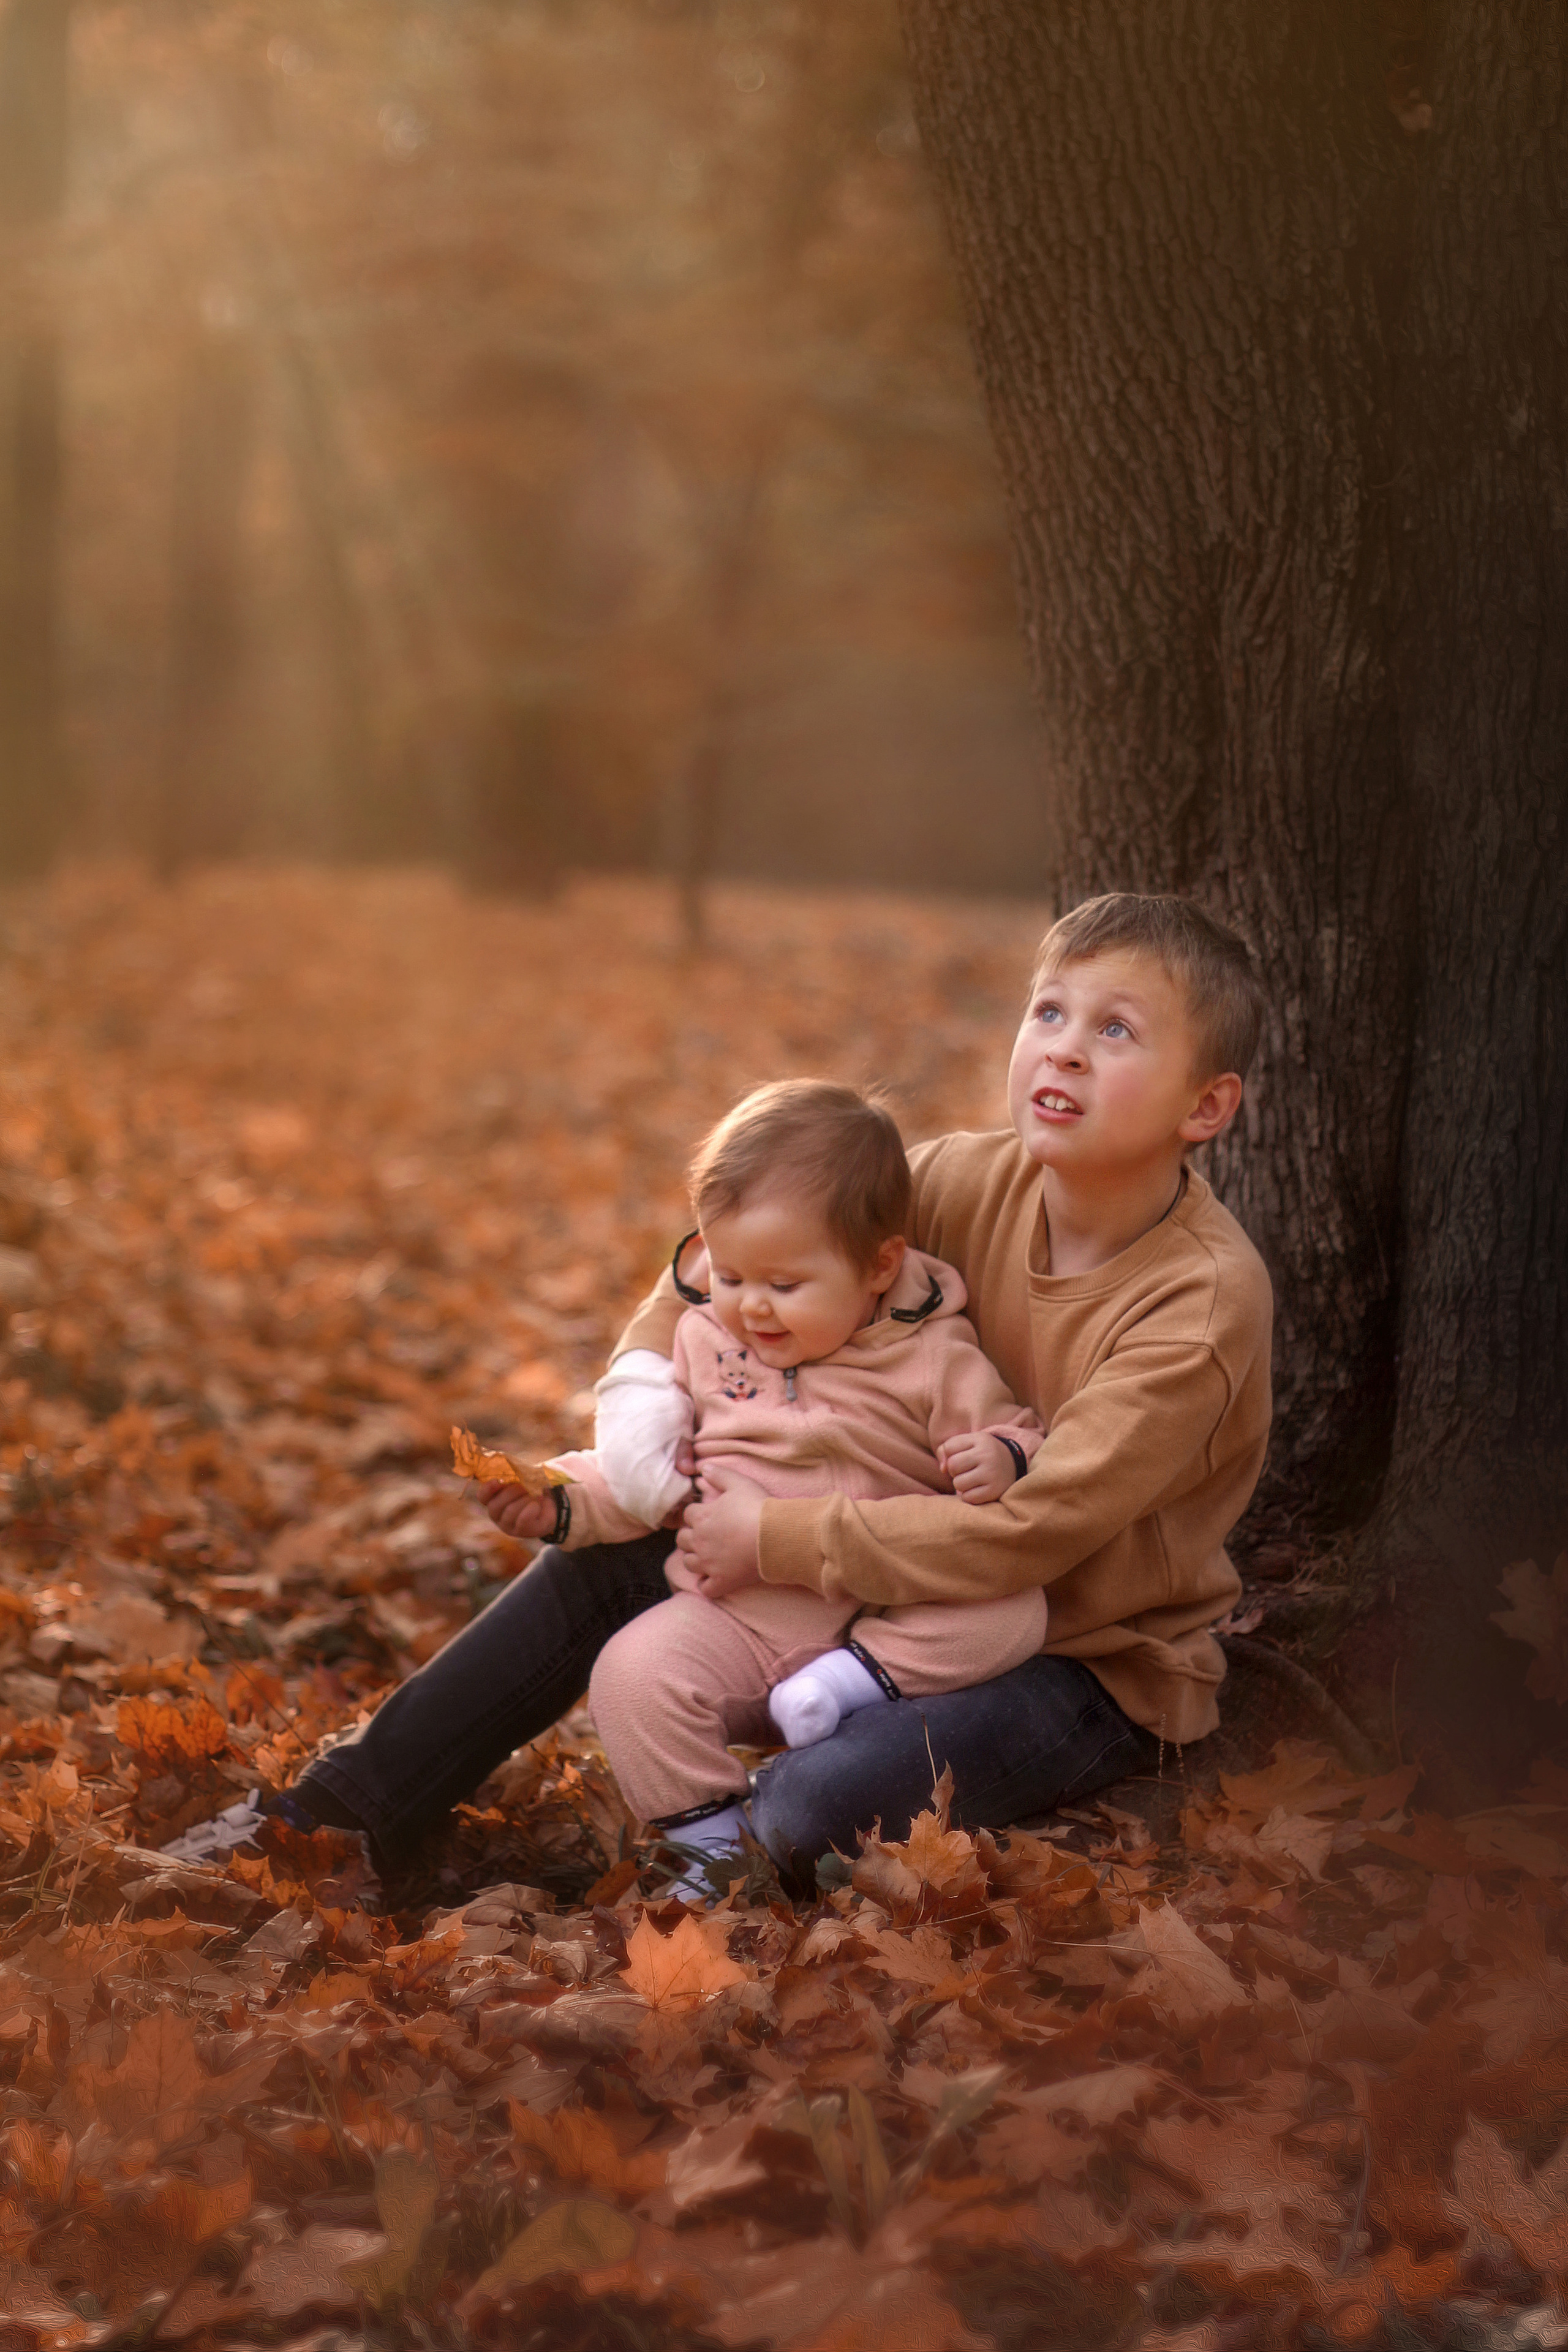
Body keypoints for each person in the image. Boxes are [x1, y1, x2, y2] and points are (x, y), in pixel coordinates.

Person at [167, 892, 1273, 1893]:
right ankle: (345, 1818)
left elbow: (1033, 1533)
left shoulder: (1200, 1304)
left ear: (1206, 1106)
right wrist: (648, 1415)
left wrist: (774, 1538)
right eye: (1049, 1014)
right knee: (610, 1549)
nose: (1065, 1053)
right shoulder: (954, 1179)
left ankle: (702, 1878)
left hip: (1072, 1663)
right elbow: (716, 1262)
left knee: (804, 1813)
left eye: (1115, 1030)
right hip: (866, 1574)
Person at [508, 1080, 1047, 1887]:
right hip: (741, 1626)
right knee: (631, 1672)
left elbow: (1014, 1431)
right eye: (728, 1277)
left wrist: (1002, 1454)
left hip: (888, 1617)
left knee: (1015, 1608)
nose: (751, 1307)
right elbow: (658, 1479)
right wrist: (558, 1502)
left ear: (879, 1267)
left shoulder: (931, 1354)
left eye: (785, 1286)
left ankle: (844, 1684)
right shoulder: (707, 1348)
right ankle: (713, 1851)